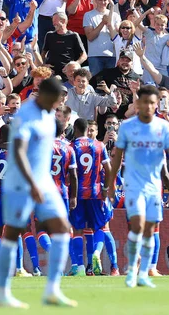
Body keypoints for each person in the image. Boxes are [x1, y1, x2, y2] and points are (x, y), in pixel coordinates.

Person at [0, 77, 76, 308]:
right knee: (12, 233)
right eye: (54, 100)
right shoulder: (25, 115)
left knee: (62, 228)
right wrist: (32, 184)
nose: (57, 105)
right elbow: (18, 152)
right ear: (41, 95)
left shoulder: (50, 116)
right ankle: (3, 292)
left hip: (44, 181)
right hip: (20, 183)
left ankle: (52, 290)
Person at [106, 84, 169, 288]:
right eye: (145, 102)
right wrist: (111, 183)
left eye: (153, 102)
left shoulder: (163, 127)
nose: (149, 106)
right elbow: (117, 157)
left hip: (154, 186)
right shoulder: (127, 126)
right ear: (138, 103)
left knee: (150, 229)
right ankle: (132, 268)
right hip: (133, 184)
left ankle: (143, 273)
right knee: (137, 227)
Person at [69, 118, 111, 277]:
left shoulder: (71, 146)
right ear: (88, 129)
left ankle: (79, 266)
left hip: (78, 193)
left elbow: (70, 173)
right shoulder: (99, 145)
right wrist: (106, 188)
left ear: (75, 129)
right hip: (96, 192)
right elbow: (108, 168)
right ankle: (96, 254)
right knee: (99, 226)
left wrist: (71, 195)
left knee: (78, 230)